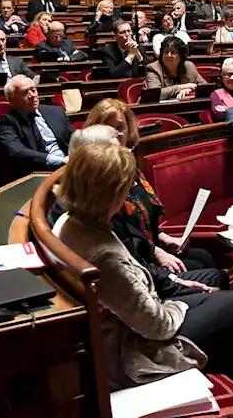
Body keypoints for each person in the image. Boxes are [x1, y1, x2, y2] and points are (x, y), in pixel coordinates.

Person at [55, 142, 233, 409]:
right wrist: (183, 303)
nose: (130, 192)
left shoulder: (71, 221)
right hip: (136, 350)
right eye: (125, 186)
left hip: (135, 324)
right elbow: (157, 327)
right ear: (109, 193)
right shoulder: (104, 254)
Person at [82, 99, 221, 282]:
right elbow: (124, 236)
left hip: (150, 246)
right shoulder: (100, 179)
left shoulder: (130, 164)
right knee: (213, 276)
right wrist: (157, 253)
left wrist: (163, 238)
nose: (115, 134)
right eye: (108, 127)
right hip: (137, 261)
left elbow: (145, 215)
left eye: (120, 127)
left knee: (204, 256)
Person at [0, 75, 74, 169]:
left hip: (69, 163)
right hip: (39, 169)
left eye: (33, 90)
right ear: (11, 100)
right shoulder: (7, 121)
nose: (32, 95)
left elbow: (74, 136)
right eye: (24, 92)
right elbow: (17, 151)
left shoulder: (55, 111)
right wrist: (60, 160)